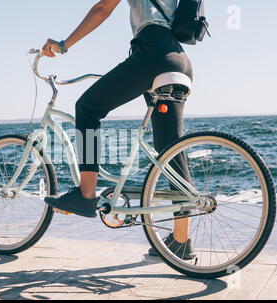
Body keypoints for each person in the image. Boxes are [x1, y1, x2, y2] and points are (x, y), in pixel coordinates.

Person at [43, 0, 196, 260]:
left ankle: (86, 194)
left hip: (151, 53)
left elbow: (103, 8)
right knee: (170, 150)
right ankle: (181, 241)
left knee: (87, 108)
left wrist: (63, 45)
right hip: (179, 61)